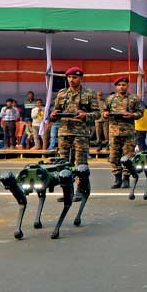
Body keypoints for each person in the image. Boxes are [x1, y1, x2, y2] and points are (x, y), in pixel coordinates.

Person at [49, 67, 100, 201]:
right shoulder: (61, 94)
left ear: (81, 78)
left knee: (80, 162)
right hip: (64, 132)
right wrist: (53, 115)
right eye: (69, 77)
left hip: (80, 133)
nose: (71, 80)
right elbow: (55, 113)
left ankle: (81, 190)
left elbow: (97, 113)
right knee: (64, 163)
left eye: (75, 77)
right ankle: (67, 192)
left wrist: (85, 115)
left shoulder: (89, 94)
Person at [104, 76, 144, 189]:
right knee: (113, 156)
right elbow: (104, 111)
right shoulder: (110, 98)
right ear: (116, 86)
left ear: (127, 86)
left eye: (124, 85)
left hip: (128, 133)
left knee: (128, 156)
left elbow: (140, 113)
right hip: (114, 132)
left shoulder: (134, 99)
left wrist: (132, 115)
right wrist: (105, 114)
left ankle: (126, 178)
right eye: (119, 85)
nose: (121, 87)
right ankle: (117, 178)